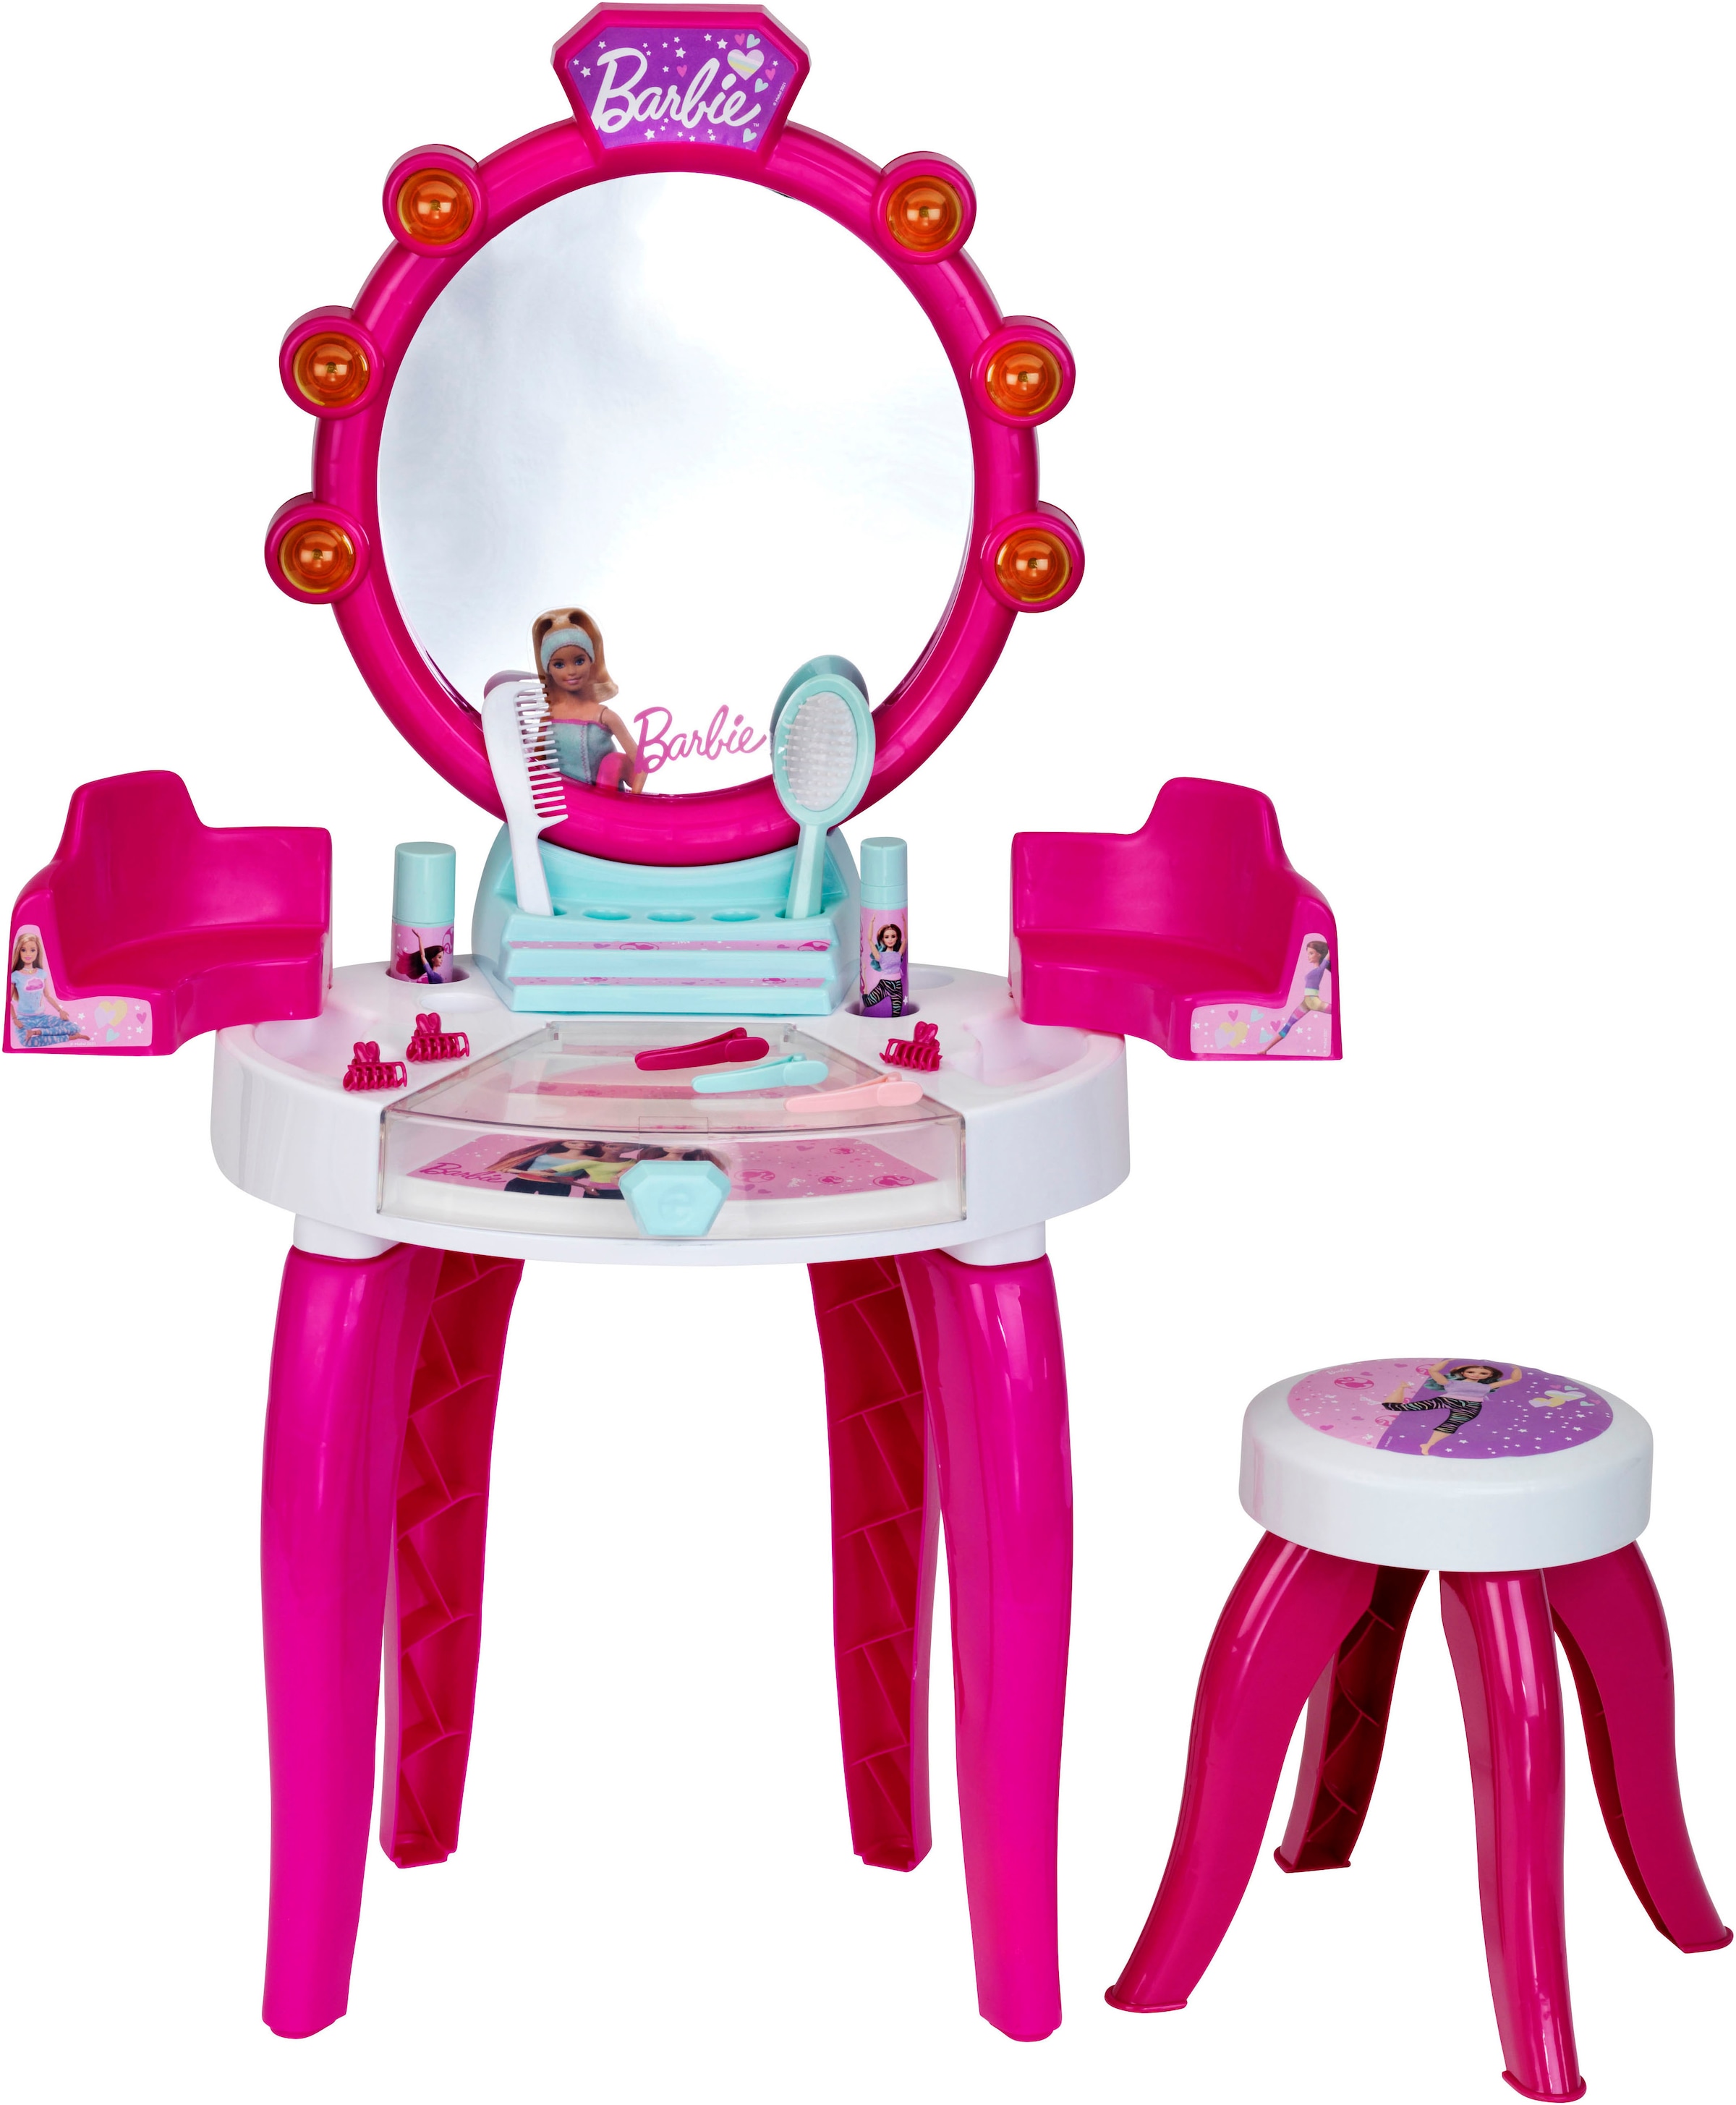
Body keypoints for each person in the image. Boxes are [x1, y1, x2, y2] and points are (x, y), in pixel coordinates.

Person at [530, 607, 646, 792]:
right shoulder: (549, 716)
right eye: (559, 665)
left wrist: (634, 799)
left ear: (591, 661)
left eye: (579, 661)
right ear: (548, 669)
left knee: (613, 763)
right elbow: (536, 765)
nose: (571, 671)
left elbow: (641, 764)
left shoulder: (605, 717)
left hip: (604, 803)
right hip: (558, 801)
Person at [1382, 1362, 1509, 1456]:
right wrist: (1448, 1361)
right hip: (1448, 1400)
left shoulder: (1487, 1386)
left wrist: (1515, 1369)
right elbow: (1433, 1371)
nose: (1476, 1375)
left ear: (1490, 1375)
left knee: (1451, 1425)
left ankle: (1428, 1445)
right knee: (1401, 1407)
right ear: (1463, 1373)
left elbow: (1515, 1379)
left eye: (1483, 1373)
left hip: (1472, 1406)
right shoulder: (1451, 1382)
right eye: (1471, 1372)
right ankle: (1402, 1388)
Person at [8, 930, 87, 1047]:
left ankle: (38, 1032)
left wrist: (60, 1011)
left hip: (42, 1017)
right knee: (26, 1041)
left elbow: (48, 996)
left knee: (74, 1027)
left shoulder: (42, 973)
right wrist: (15, 1019)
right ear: (18, 952)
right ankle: (69, 1037)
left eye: (32, 950)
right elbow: (7, 1001)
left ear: (37, 952)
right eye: (23, 950)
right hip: (24, 1019)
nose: (28, 954)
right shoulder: (15, 976)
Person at [861, 921, 907, 1016]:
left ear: (897, 937)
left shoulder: (898, 954)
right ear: (883, 939)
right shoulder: (880, 956)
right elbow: (869, 939)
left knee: (897, 1014)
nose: (890, 940)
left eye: (893, 936)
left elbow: (906, 939)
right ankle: (865, 989)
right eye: (887, 937)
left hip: (898, 986)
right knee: (868, 1003)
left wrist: (904, 921)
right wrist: (872, 922)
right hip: (885, 985)